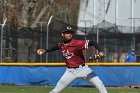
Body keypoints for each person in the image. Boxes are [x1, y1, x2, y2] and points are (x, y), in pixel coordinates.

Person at [37, 26, 108, 93]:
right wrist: (46, 50)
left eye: (70, 33)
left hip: (83, 69)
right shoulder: (61, 44)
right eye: (67, 33)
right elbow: (57, 46)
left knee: (100, 84)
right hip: (70, 72)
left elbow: (93, 42)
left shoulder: (77, 43)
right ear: (62, 34)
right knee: (56, 90)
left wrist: (100, 51)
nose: (69, 34)